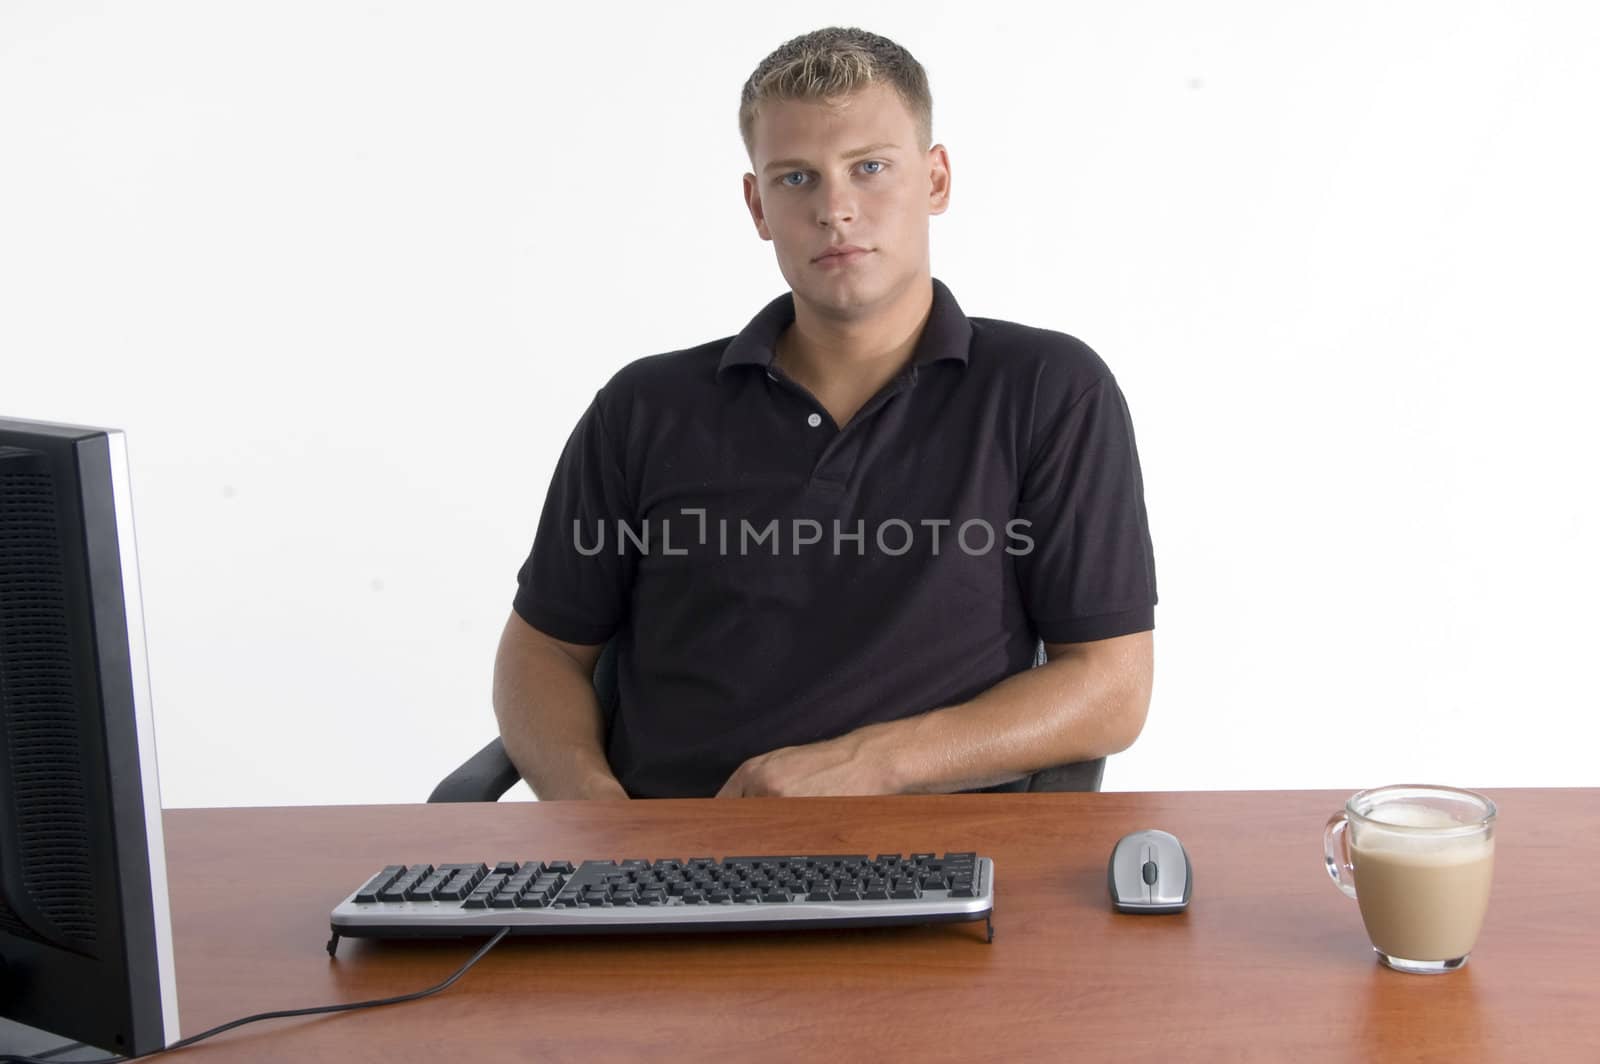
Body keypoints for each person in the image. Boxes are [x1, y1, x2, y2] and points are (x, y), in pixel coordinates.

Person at [493, 26, 1157, 800]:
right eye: (798, 178)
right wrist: (596, 817)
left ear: (936, 180)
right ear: (758, 204)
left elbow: (1111, 686)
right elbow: (541, 654)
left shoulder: (1048, 390)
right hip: (675, 861)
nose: (836, 210)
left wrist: (868, 765)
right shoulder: (644, 409)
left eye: (870, 168)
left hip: (941, 869)